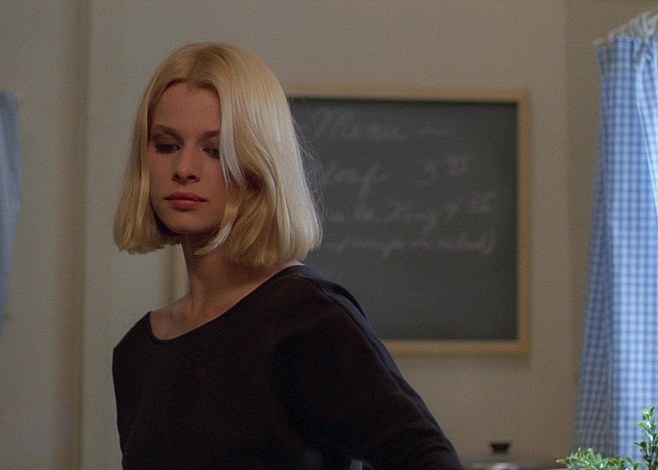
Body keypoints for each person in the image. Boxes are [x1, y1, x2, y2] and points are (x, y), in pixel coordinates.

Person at [112, 42, 464, 470]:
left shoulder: (307, 319)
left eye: (215, 149)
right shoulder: (137, 352)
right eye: (167, 145)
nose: (184, 168)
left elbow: (426, 458)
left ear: (257, 161)